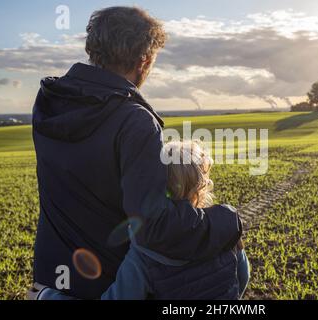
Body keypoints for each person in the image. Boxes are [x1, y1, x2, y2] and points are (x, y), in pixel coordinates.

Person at [28, 6, 242, 299]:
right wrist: (227, 220)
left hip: (54, 279)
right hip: (112, 283)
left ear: (95, 50)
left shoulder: (50, 103)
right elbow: (152, 227)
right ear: (144, 59)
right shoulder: (134, 119)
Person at [35, 141, 250, 300]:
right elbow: (242, 275)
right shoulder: (226, 225)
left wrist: (46, 296)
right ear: (200, 186)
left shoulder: (146, 245)